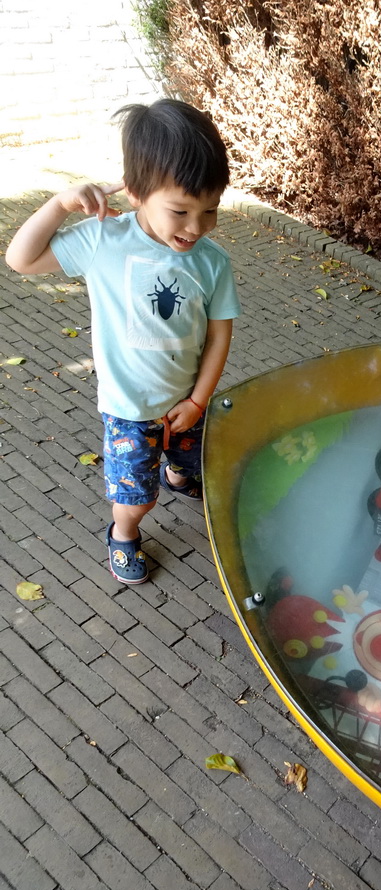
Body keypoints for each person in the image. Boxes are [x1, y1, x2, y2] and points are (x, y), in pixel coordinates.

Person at [5, 99, 241, 585]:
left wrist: (198, 400)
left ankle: (177, 474)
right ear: (135, 193)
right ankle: (123, 533)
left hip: (187, 401)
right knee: (136, 495)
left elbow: (219, 335)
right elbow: (21, 260)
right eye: (180, 210)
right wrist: (59, 204)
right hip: (128, 408)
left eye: (211, 210)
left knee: (187, 457)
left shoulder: (212, 262)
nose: (197, 227)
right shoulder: (101, 240)